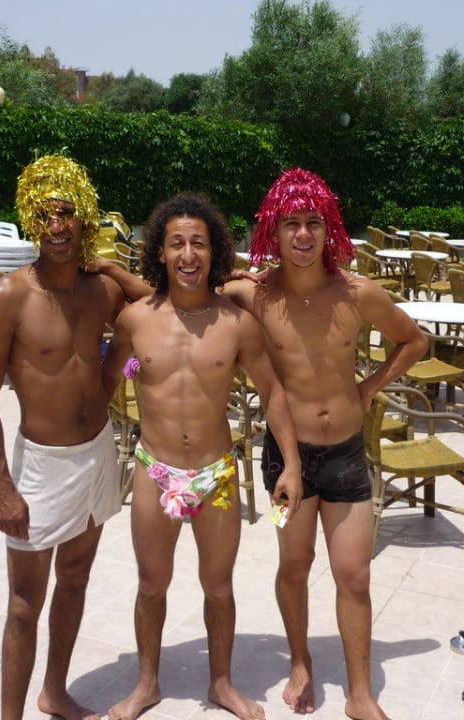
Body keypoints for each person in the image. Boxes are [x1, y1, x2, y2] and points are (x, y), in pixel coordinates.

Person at [222, 168, 428, 720]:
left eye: (314, 222)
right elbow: (182, 290)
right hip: (284, 460)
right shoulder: (252, 293)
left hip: (346, 456)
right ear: (272, 229)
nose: (303, 234)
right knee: (294, 565)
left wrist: (369, 387)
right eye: (291, 223)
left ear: (329, 227)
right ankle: (300, 662)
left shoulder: (358, 293)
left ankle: (360, 693)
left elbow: (415, 341)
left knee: (354, 574)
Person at [103, 192, 304, 720]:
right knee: (151, 585)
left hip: (216, 474)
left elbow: (272, 392)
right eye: (177, 244)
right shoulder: (134, 321)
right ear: (160, 252)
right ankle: (146, 684)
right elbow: (108, 383)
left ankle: (221, 683)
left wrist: (291, 464)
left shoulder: (236, 323)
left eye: (198, 243)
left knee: (218, 587)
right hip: (154, 471)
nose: (188, 254)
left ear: (214, 252)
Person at [0, 155, 149, 720]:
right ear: (30, 219)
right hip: (41, 467)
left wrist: (115, 273)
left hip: (97, 454)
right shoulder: (8, 297)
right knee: (24, 605)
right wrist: (3, 488)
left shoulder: (102, 292)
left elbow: (156, 308)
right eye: (44, 215)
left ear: (85, 217)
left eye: (67, 213)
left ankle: (54, 691)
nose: (56, 226)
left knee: (75, 580)